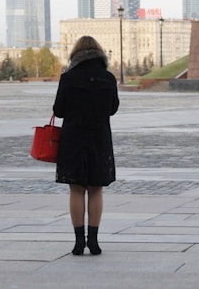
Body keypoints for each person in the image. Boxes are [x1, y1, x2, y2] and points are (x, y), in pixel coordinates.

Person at [53, 36, 120, 255]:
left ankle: (78, 241)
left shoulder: (68, 77)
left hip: (73, 139)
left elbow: (59, 110)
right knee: (95, 189)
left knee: (76, 189)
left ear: (76, 55)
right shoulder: (108, 78)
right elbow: (113, 108)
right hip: (99, 138)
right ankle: (94, 240)